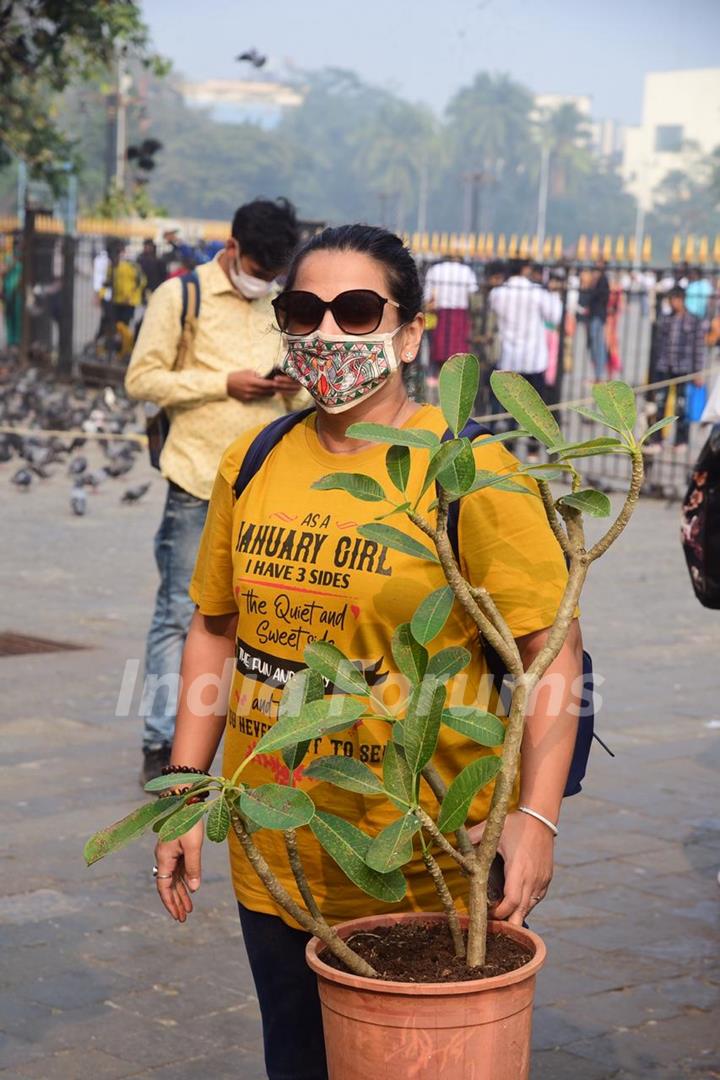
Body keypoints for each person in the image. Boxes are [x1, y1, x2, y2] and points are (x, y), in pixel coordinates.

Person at [152, 225, 584, 1080]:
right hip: (276, 851)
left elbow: (552, 655)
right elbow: (213, 629)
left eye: (356, 312)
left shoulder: (471, 472)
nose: (328, 337)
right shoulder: (256, 457)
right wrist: (186, 794)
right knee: (297, 1061)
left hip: (422, 857)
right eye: (303, 312)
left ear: (412, 332)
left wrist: (535, 819)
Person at [125, 197, 304, 784]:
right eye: (258, 268)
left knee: (263, 621)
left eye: (274, 273)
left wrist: (290, 389)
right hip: (198, 478)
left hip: (270, 484)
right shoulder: (181, 296)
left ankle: (251, 737)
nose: (264, 281)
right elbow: (141, 380)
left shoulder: (284, 303)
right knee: (181, 614)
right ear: (231, 249)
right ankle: (160, 739)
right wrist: (222, 383)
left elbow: (305, 398)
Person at [490, 257, 562, 454]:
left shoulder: (498, 293)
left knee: (510, 406)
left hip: (510, 356)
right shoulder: (536, 292)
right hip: (533, 357)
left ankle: (509, 448)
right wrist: (554, 294)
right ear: (525, 269)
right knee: (535, 406)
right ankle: (533, 448)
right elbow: (554, 317)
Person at [647, 286, 707, 453]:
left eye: (675, 299)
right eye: (671, 299)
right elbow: (658, 346)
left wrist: (698, 372)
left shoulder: (693, 321)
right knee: (660, 404)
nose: (673, 303)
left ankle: (681, 441)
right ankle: (657, 439)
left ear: (682, 299)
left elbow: (698, 348)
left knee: (681, 407)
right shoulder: (666, 319)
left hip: (684, 369)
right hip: (665, 366)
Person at [422, 254, 478, 378]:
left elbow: (427, 296)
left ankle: (438, 376)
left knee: (440, 349)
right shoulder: (466, 271)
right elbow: (473, 294)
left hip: (440, 313)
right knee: (459, 351)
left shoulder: (435, 270)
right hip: (460, 314)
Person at [585, 258, 610, 383]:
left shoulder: (602, 280)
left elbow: (600, 297)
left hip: (598, 316)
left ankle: (599, 376)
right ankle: (597, 374)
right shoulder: (598, 279)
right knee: (595, 345)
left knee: (598, 345)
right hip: (595, 315)